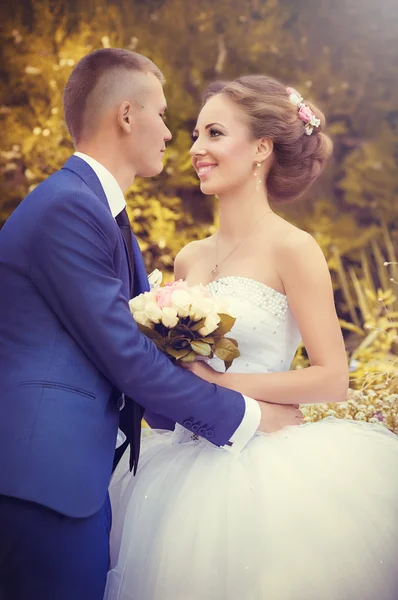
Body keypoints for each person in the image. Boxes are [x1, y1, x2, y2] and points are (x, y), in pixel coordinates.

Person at [0, 50, 301, 600]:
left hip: (71, 478)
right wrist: (249, 418)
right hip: (40, 481)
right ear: (126, 115)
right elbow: (125, 355)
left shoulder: (101, 214)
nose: (171, 135)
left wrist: (179, 409)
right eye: (163, 116)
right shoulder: (70, 208)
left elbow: (131, 356)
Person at [105, 75, 398, 600]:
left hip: (268, 467)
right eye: (195, 134)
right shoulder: (189, 256)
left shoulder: (294, 248)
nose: (196, 149)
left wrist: (220, 386)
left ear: (262, 148)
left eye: (214, 133)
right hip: (180, 460)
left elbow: (332, 378)